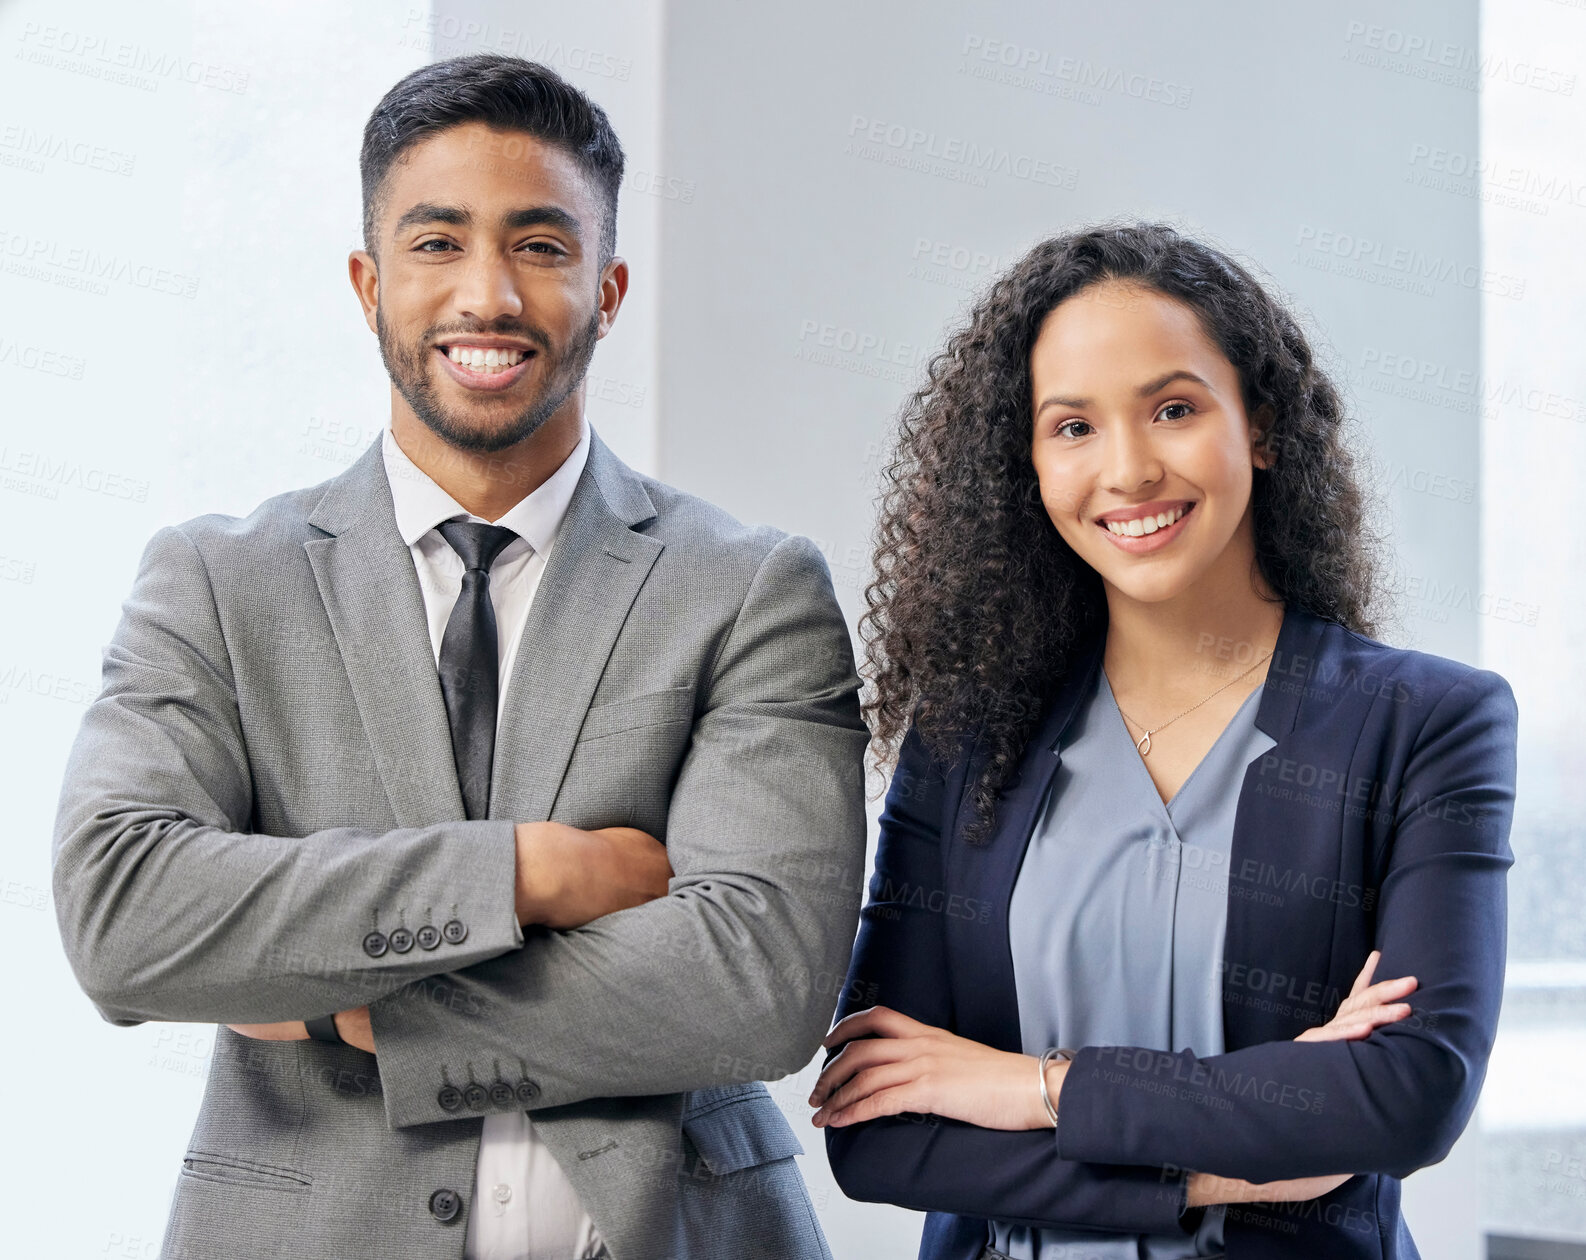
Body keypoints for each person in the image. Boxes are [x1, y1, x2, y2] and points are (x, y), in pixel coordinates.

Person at [51, 54, 865, 1260]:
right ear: (367, 283)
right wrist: (524, 873)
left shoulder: (749, 588)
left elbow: (759, 981)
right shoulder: (219, 584)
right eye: (437, 244)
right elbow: (125, 914)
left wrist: (336, 1005)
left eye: (540, 246)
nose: (486, 294)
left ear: (608, 289)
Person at [811, 223, 1518, 1259]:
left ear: (1260, 426)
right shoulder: (963, 744)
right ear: (1028, 466)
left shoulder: (1426, 726)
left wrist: (1025, 1086)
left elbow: (1407, 1095)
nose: (1129, 470)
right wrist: (1219, 1167)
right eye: (1071, 428)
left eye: (1173, 409)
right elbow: (874, 1130)